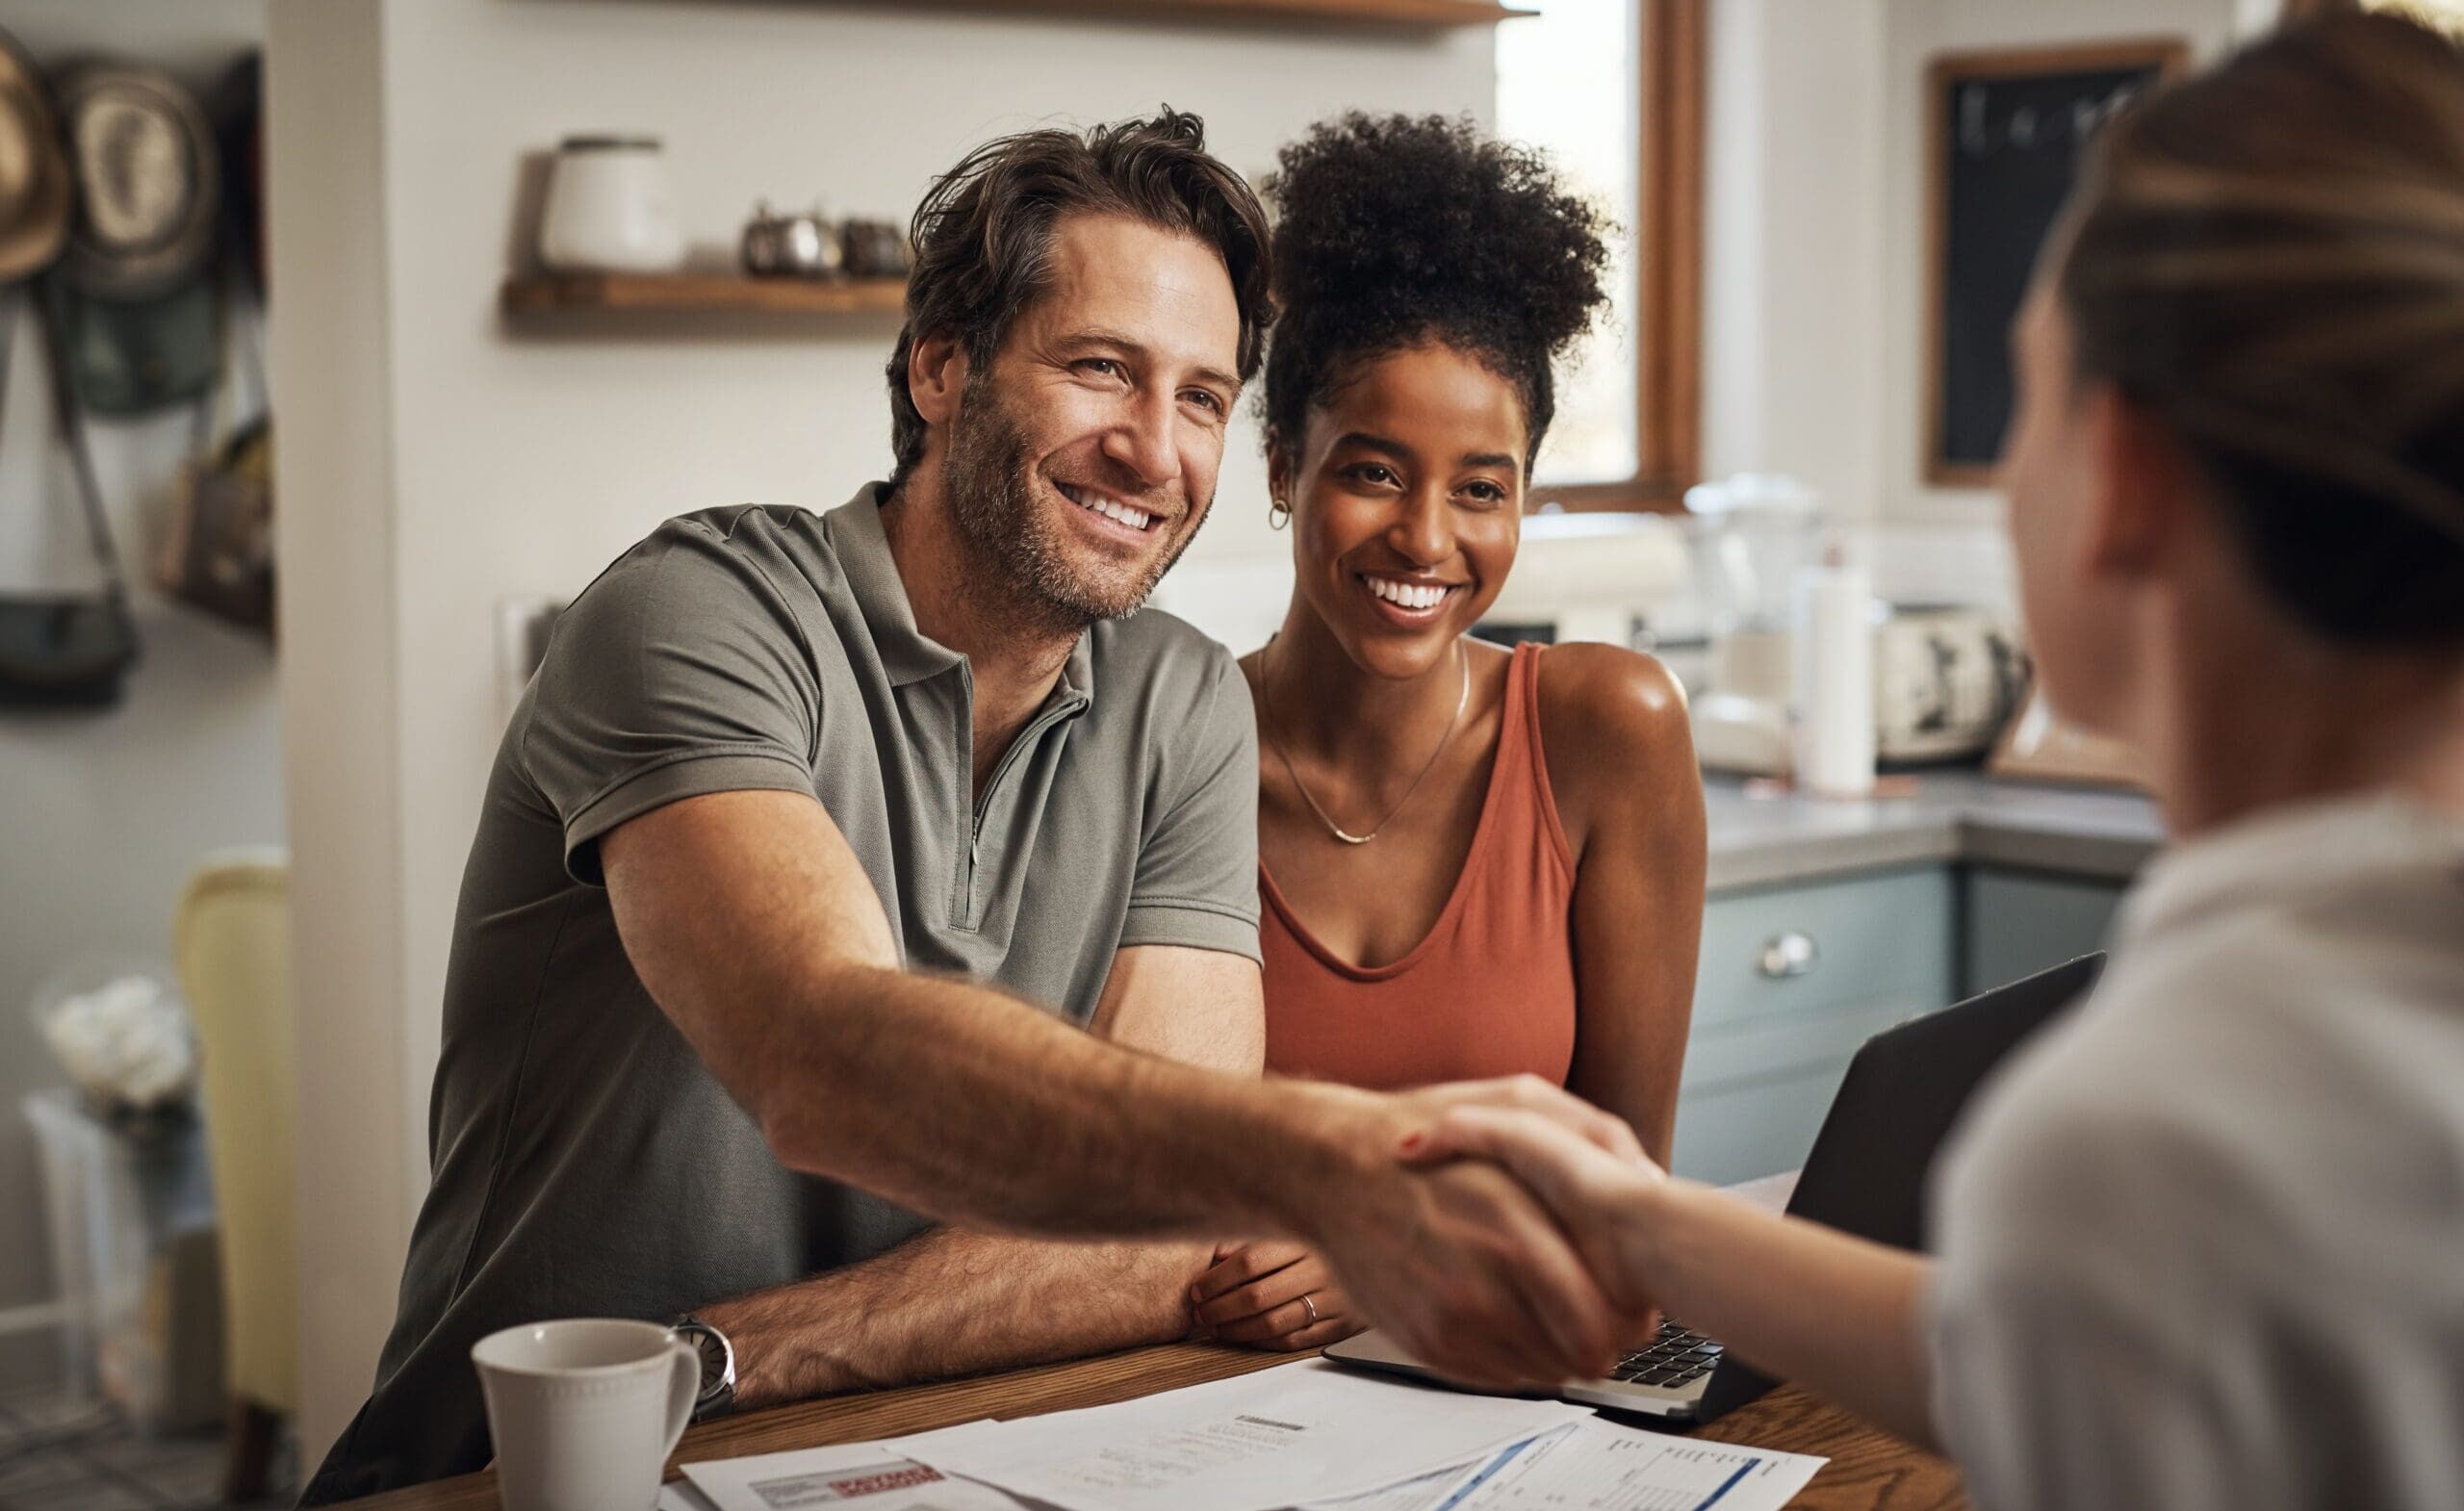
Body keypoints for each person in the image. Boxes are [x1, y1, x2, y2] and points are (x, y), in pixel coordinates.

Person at [302, 110, 1634, 1503]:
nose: (1154, 450)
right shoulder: (693, 617)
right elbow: (821, 1054)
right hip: (525, 1470)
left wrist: (741, 1348)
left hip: (917, 1452)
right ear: (942, 365)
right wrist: (1325, 1158)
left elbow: (1164, 1222)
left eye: (1200, 397)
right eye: (1103, 370)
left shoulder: (1180, 702)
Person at [1404, 14, 2464, 1510]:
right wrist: (1642, 1226)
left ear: (2128, 482)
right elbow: (2039, 1342)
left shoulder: (2155, 1135)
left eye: (2026, 398)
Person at [1186, 115, 1706, 1354]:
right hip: (1204, 1395)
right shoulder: (1172, 746)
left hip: (1524, 1388)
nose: (1427, 539)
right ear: (1279, 466)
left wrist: (1381, 1254)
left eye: (1482, 488)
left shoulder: (1606, 732)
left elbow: (1627, 1204)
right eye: (1372, 471)